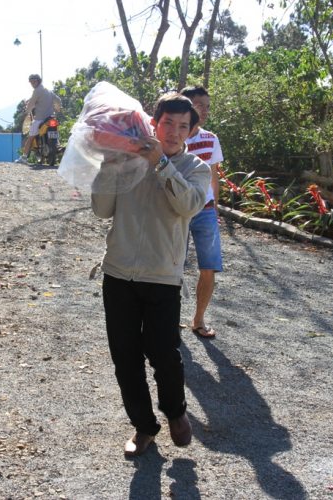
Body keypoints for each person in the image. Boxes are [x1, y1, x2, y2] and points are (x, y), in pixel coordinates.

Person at [91, 94, 211, 457]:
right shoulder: (128, 161)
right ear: (153, 123)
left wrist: (161, 164)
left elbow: (188, 205)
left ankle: (175, 411)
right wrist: (111, 164)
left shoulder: (196, 168)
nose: (174, 132)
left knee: (163, 353)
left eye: (182, 126)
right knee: (124, 358)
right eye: (167, 123)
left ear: (191, 131)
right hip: (118, 273)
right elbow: (101, 210)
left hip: (162, 277)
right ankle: (144, 427)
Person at [180, 85, 224, 338]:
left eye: (207, 106)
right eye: (199, 105)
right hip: (179, 209)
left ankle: (199, 319)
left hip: (205, 210)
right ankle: (170, 315)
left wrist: (215, 209)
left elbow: (214, 176)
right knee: (174, 263)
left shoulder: (211, 138)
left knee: (209, 266)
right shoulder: (174, 137)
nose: (204, 111)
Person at [15, 74, 61, 164]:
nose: (32, 83)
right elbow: (58, 101)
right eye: (31, 82)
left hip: (40, 119)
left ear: (38, 81)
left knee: (31, 137)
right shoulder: (48, 91)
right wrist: (57, 108)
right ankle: (57, 144)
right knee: (55, 132)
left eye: (34, 81)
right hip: (51, 117)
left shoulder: (37, 91)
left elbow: (31, 103)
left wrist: (27, 111)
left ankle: (24, 158)